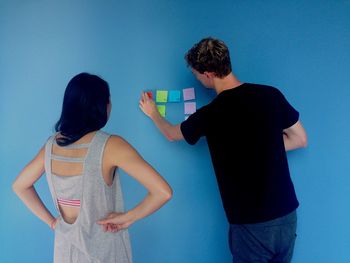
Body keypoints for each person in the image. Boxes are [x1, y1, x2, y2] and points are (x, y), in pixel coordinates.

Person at [139, 37, 307, 262]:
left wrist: (153, 113)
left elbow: (170, 134)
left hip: (251, 225)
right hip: (287, 214)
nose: (198, 79)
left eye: (196, 75)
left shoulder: (211, 114)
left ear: (207, 73)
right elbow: (300, 139)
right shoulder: (270, 95)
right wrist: (264, 147)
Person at [13, 72, 172, 263]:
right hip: (105, 253)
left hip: (65, 253)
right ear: (103, 105)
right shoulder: (110, 145)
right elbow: (163, 192)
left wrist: (53, 222)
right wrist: (128, 218)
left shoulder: (51, 146)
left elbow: (20, 186)